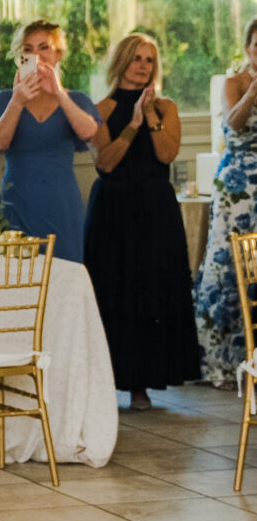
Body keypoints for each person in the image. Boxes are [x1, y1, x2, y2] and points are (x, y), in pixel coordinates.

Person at [84, 30, 200, 409]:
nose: (143, 66)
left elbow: (166, 155)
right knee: (114, 290)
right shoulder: (100, 109)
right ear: (122, 61)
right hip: (114, 209)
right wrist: (132, 124)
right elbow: (105, 163)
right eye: (136, 58)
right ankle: (106, 382)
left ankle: (142, 386)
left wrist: (149, 115)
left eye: (149, 60)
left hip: (155, 209)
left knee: (153, 288)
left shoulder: (167, 108)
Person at [0, 17, 100, 262]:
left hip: (62, 205)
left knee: (66, 274)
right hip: (17, 203)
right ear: (20, 57)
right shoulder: (6, 99)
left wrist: (58, 93)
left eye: (44, 47)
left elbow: (89, 132)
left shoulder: (76, 99)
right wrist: (18, 100)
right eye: (28, 49)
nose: (36, 55)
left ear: (58, 54)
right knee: (15, 275)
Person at [196, 15, 257, 386]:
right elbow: (232, 123)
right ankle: (221, 361)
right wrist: (254, 90)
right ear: (248, 48)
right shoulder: (233, 83)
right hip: (238, 186)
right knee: (228, 266)